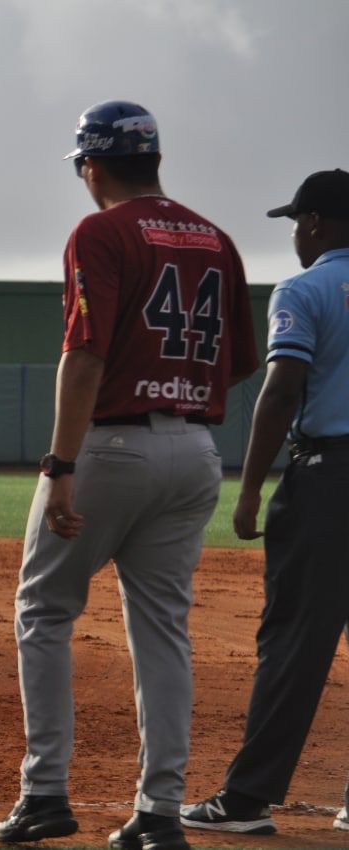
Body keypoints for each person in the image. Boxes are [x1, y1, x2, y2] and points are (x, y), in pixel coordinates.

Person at [0, 101, 258, 850]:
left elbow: (85, 353)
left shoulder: (99, 231)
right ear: (158, 162)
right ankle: (159, 811)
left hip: (111, 445)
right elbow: (239, 361)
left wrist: (61, 465)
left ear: (93, 166)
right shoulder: (215, 237)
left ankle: (45, 793)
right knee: (163, 629)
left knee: (44, 612)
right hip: (197, 454)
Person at [181, 169, 349, 836]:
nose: (295, 235)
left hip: (329, 483)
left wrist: (248, 488)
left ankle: (248, 799)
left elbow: (281, 390)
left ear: (315, 222)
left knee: (294, 642)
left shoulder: (305, 289)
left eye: (297, 223)